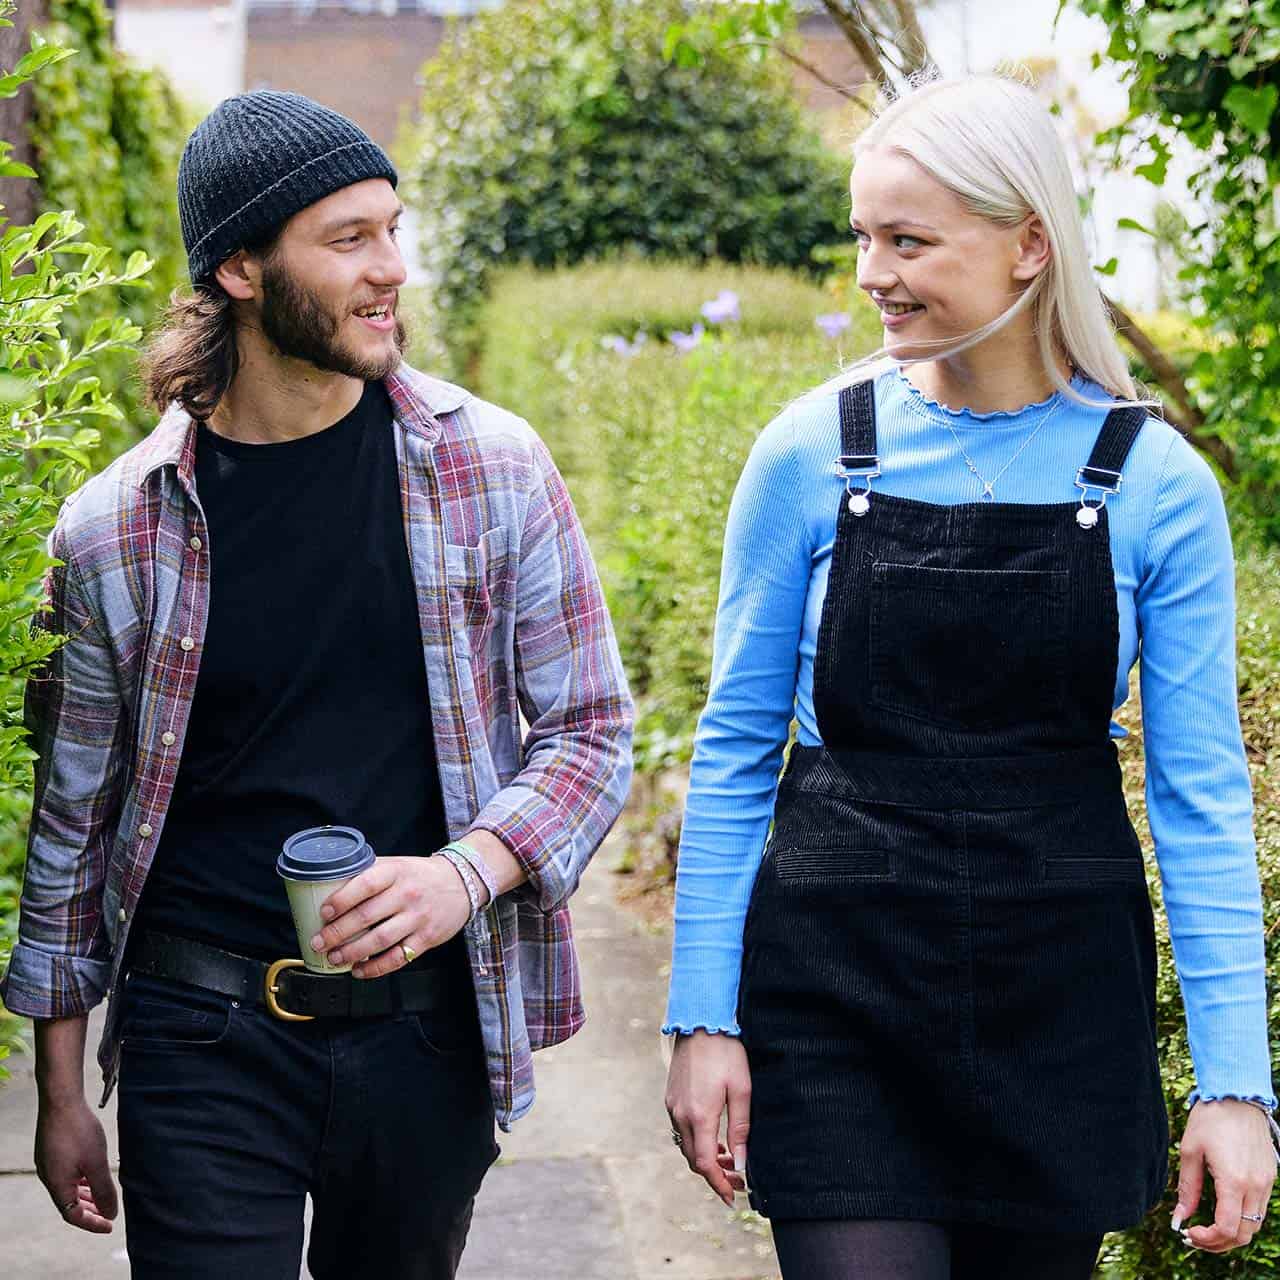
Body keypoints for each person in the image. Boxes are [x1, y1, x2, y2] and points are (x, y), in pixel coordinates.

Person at [1, 90, 633, 1279]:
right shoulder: (113, 529)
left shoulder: (490, 468)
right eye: (349, 239)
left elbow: (592, 731)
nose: (391, 268)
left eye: (393, 229)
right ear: (240, 267)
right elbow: (72, 820)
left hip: (428, 1023)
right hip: (202, 1026)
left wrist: (467, 871)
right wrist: (60, 1083)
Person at [662, 73, 1277, 1280]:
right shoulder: (806, 451)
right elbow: (732, 752)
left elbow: (1199, 798)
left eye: (907, 240)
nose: (869, 273)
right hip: (834, 991)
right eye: (860, 237)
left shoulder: (1151, 485)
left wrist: (1234, 1084)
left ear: (1027, 247)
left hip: (1054, 1002)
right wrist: (701, 1016)